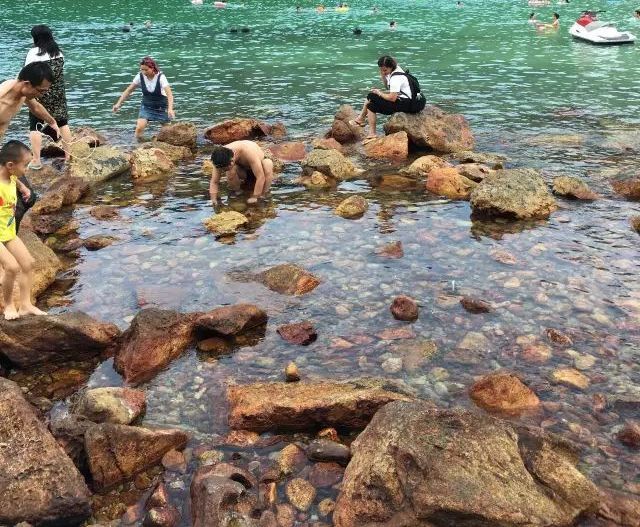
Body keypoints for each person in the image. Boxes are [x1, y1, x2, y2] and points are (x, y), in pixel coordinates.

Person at [0, 140, 47, 320]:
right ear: (10, 165)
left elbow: (15, 180)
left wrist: (24, 187)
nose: (27, 169)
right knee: (11, 267)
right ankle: (8, 305)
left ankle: (26, 305)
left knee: (28, 263)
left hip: (8, 231)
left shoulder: (11, 176)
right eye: (25, 165)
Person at [24, 25, 72, 170]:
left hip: (39, 92)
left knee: (35, 126)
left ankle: (36, 160)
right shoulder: (59, 52)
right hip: (58, 93)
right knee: (63, 123)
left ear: (36, 38)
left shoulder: (33, 52)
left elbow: (25, 73)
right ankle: (68, 157)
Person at [350, 55, 415, 140]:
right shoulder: (394, 70)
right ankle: (372, 133)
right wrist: (383, 75)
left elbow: (392, 98)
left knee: (371, 96)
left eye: (385, 70)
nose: (383, 72)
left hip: (406, 104)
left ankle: (361, 118)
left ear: (391, 67)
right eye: (381, 70)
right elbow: (387, 87)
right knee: (371, 105)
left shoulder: (396, 77)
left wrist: (379, 93)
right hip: (405, 101)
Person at [112, 57, 175, 140]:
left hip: (161, 107)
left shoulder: (161, 77)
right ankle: (140, 144)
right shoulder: (140, 76)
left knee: (168, 132)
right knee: (139, 128)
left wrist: (170, 109)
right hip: (146, 106)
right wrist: (118, 104)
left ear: (152, 68)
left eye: (146, 70)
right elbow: (128, 90)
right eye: (142, 69)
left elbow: (170, 95)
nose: (144, 72)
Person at [0, 62, 59, 141]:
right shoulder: (2, 102)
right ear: (27, 84)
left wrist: (52, 123)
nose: (41, 96)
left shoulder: (20, 90)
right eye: (40, 91)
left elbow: (35, 107)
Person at [208, 141, 274, 205]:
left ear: (232, 160)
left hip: (259, 170)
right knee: (230, 172)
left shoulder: (247, 151)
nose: (223, 170)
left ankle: (264, 194)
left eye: (225, 168)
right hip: (243, 171)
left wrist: (255, 197)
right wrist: (213, 200)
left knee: (268, 164)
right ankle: (238, 192)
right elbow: (214, 182)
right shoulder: (218, 158)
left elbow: (260, 176)